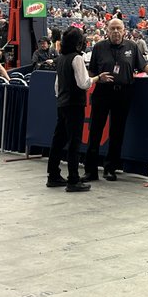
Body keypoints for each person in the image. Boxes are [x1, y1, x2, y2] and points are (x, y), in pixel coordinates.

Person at [85, 17, 148, 181]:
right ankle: (90, 170)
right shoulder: (98, 47)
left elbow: (144, 65)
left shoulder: (132, 46)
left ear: (124, 30)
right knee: (95, 132)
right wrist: (96, 79)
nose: (116, 31)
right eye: (113, 29)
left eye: (119, 28)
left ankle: (110, 169)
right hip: (102, 93)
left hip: (123, 93)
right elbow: (91, 72)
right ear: (107, 31)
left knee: (117, 133)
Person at [49, 29, 95, 192]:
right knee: (74, 142)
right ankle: (73, 179)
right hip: (74, 105)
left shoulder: (61, 59)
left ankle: (53, 175)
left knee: (58, 140)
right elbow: (84, 83)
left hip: (62, 103)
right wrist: (96, 78)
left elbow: (57, 86)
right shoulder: (77, 58)